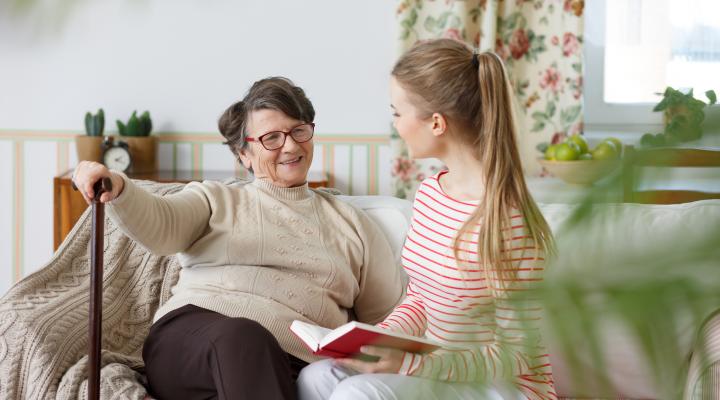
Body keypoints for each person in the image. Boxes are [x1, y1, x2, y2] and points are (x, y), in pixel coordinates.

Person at [71, 77, 404, 400]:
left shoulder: (353, 225)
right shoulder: (217, 199)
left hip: (292, 365)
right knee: (245, 336)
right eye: (271, 138)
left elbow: (388, 320)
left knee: (256, 353)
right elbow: (162, 225)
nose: (290, 146)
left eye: (299, 131)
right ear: (244, 154)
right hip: (193, 344)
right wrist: (118, 187)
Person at [297, 39, 557, 399]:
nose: (396, 125)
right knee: (317, 378)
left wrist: (408, 365)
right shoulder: (431, 192)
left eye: (397, 113)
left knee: (356, 394)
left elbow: (514, 355)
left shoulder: (506, 221)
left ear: (436, 123)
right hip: (446, 375)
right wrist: (373, 342)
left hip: (505, 387)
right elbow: (420, 296)